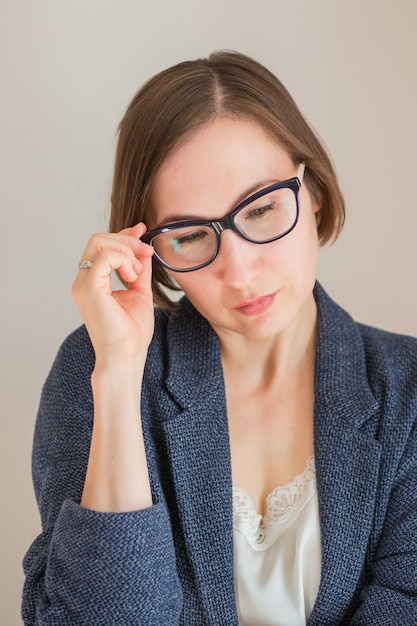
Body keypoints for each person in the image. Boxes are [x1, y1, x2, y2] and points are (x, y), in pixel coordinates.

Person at [22, 50, 417, 626]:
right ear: (150, 251)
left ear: (315, 195)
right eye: (188, 235)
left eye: (260, 210)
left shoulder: (407, 389)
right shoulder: (94, 368)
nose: (239, 272)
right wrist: (117, 378)